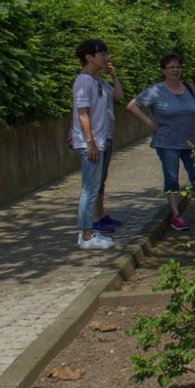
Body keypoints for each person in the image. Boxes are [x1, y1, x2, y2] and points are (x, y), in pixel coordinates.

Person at [127, 52, 195, 231]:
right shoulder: (156, 91)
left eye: (177, 66)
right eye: (171, 67)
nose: (175, 70)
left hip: (191, 142)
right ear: (163, 70)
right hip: (167, 143)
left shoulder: (189, 88)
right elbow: (132, 105)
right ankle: (176, 216)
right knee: (171, 178)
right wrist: (149, 122)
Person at [70, 39, 123, 250]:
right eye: (102, 54)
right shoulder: (83, 81)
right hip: (91, 144)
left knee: (95, 187)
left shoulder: (97, 81)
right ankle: (86, 234)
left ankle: (91, 230)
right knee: (89, 190)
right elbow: (83, 113)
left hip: (102, 141)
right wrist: (90, 142)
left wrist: (114, 75)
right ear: (89, 57)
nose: (106, 58)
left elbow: (118, 95)